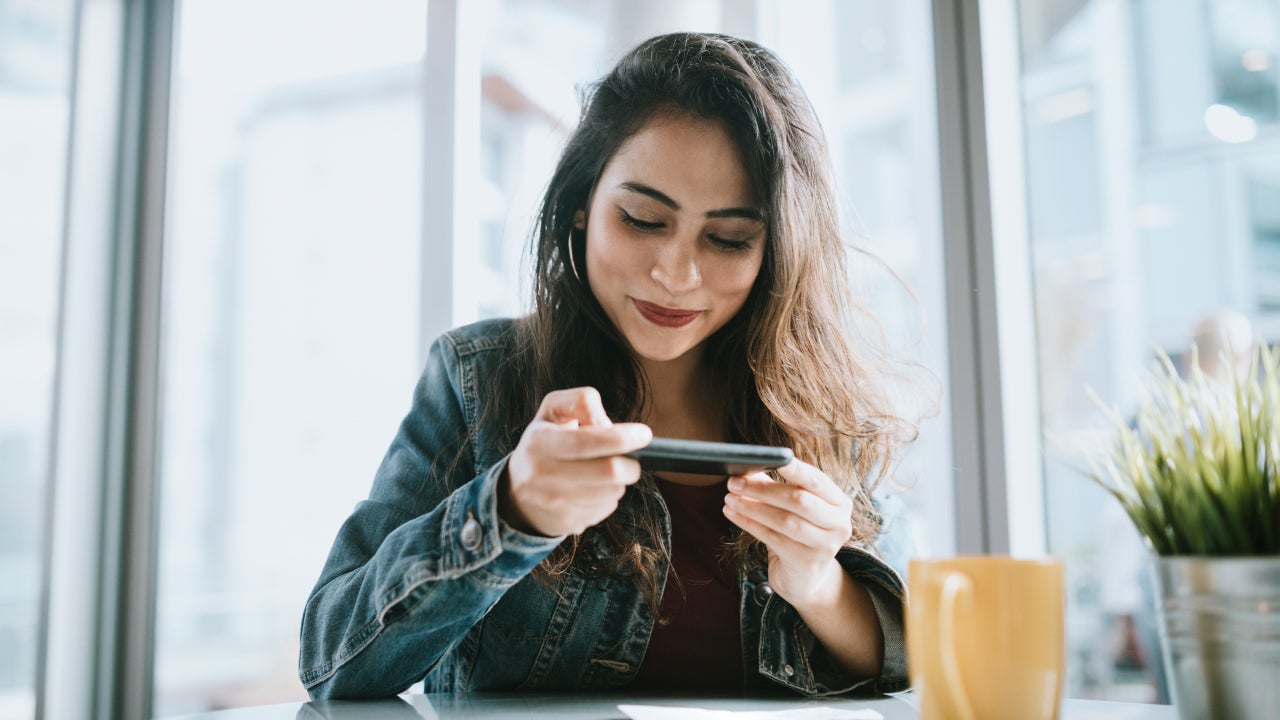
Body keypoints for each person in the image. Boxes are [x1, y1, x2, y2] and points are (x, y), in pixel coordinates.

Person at [297, 32, 920, 700]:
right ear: (580, 208)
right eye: (642, 219)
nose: (676, 275)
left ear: (776, 252)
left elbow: (904, 657)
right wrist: (511, 510)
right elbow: (333, 661)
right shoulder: (479, 379)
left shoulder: (824, 409)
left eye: (728, 238)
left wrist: (819, 582)